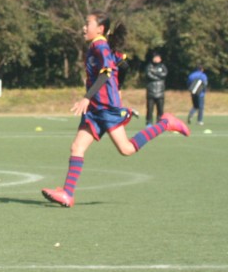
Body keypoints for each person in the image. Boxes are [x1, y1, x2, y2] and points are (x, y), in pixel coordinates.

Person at [42, 12, 190, 208]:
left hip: (105, 108)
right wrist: (117, 87)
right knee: (77, 147)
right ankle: (68, 194)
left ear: (100, 28)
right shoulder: (98, 47)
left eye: (88, 24)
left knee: (126, 149)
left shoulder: (101, 46)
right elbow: (123, 64)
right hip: (96, 109)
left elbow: (105, 73)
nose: (84, 28)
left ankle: (166, 123)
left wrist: (88, 97)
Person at [144, 53, 167, 125]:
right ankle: (149, 122)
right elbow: (149, 75)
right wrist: (158, 77)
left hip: (160, 92)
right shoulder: (149, 66)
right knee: (150, 109)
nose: (157, 59)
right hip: (151, 91)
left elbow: (164, 74)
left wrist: (155, 72)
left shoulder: (163, 66)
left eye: (158, 57)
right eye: (155, 57)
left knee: (160, 109)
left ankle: (160, 122)